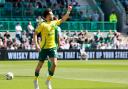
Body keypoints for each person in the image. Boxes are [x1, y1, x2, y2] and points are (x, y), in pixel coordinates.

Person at [33, 6, 72, 89]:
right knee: (40, 65)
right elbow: (35, 34)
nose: (52, 15)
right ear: (46, 16)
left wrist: (68, 11)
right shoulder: (42, 24)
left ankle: (48, 80)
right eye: (51, 14)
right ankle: (35, 80)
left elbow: (63, 19)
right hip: (43, 48)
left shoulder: (54, 22)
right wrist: (36, 45)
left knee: (54, 64)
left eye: (52, 14)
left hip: (52, 47)